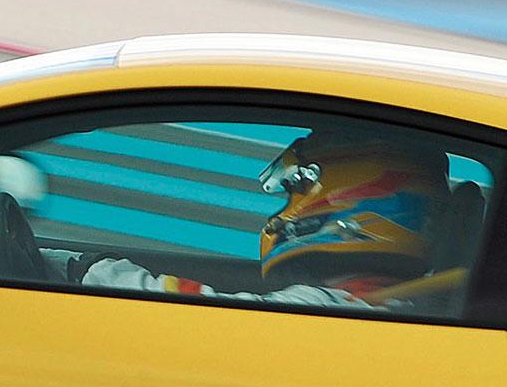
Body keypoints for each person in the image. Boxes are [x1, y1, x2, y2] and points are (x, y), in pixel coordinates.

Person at [67, 129, 456, 309]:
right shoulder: (401, 303)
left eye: (296, 190)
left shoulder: (334, 308)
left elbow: (197, 314)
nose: (289, 208)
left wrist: (91, 271)